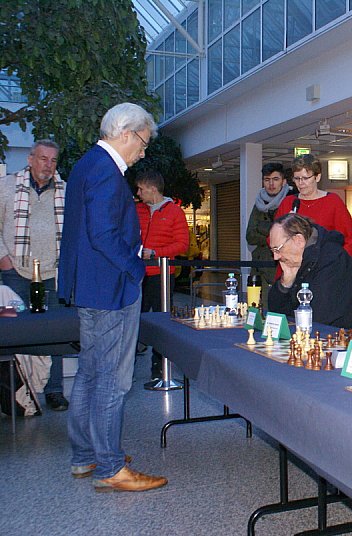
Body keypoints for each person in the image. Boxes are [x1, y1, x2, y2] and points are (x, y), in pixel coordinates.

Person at [58, 102, 167, 492]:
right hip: (110, 288)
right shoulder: (106, 170)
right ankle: (109, 467)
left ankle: (86, 455)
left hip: (90, 286)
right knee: (112, 380)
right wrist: (136, 268)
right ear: (126, 134)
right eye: (143, 142)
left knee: (89, 373)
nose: (143, 152)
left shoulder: (86, 164)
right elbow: (103, 234)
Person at [0, 140, 70, 411]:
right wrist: (3, 259)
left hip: (52, 273)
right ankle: (17, 393)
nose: (48, 165)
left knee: (55, 333)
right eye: (43, 158)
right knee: (14, 331)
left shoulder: (65, 191)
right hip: (14, 273)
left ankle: (54, 391)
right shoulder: (7, 186)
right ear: (30, 159)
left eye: (53, 160)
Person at [267, 213, 352, 331]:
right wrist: (285, 284)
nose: (275, 257)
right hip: (328, 331)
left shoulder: (332, 259)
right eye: (272, 250)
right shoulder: (297, 261)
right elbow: (276, 313)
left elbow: (318, 316)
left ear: (298, 240)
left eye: (278, 249)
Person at [135, 169, 189, 381]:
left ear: (153, 189)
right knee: (133, 319)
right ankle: (127, 367)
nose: (138, 193)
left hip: (162, 275)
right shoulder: (137, 210)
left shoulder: (175, 212)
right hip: (137, 274)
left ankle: (159, 369)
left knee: (161, 321)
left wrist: (156, 253)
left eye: (141, 189)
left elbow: (182, 244)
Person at [274, 154, 352, 258]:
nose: (301, 183)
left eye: (305, 178)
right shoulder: (288, 202)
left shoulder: (332, 201)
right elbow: (273, 237)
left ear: (317, 177)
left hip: (325, 264)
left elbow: (351, 239)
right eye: (297, 178)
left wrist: (339, 263)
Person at [246, 162, 293, 306]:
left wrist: (262, 228)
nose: (271, 184)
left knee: (278, 309)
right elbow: (250, 235)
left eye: (275, 179)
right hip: (259, 267)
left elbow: (289, 236)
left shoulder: (292, 201)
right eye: (267, 180)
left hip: (281, 268)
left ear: (283, 181)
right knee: (255, 309)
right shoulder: (259, 203)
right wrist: (272, 233)